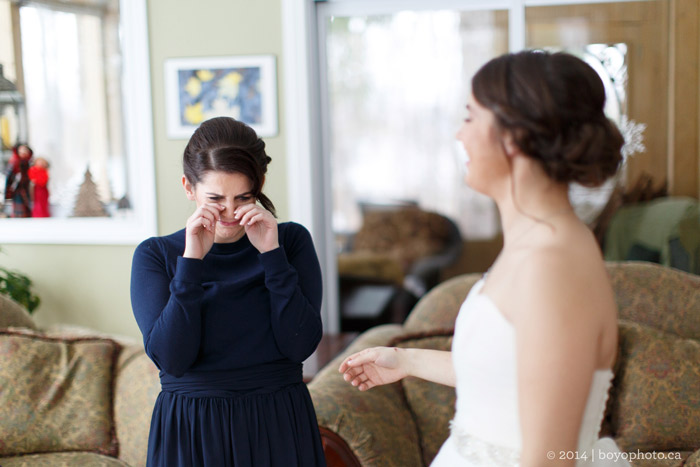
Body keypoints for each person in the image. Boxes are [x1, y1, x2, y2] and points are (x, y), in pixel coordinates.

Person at [339, 50, 630, 467]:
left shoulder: (553, 266)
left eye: (470, 116)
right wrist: (406, 360)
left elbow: (549, 459)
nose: (460, 135)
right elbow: (510, 376)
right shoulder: (532, 245)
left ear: (513, 137)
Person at [130, 116, 326, 467]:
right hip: (192, 429)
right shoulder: (155, 255)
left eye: (244, 197)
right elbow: (172, 359)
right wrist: (191, 261)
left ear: (260, 184)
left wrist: (272, 256)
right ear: (189, 188)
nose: (231, 213)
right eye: (216, 199)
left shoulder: (291, 242)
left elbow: (300, 346)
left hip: (279, 421)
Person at [4, 143, 33, 217]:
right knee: (18, 204)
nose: (24, 152)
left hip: (26, 188)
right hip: (16, 188)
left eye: (25, 150)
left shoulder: (29, 162)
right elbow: (8, 175)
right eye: (22, 150)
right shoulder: (14, 161)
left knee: (27, 204)